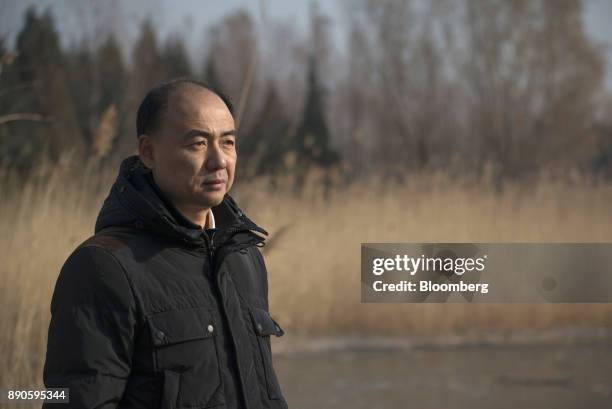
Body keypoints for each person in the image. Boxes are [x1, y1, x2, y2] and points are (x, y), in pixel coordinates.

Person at [42, 78, 289, 409]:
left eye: (228, 142)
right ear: (148, 152)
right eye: (198, 144)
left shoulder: (243, 256)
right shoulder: (104, 267)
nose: (219, 161)